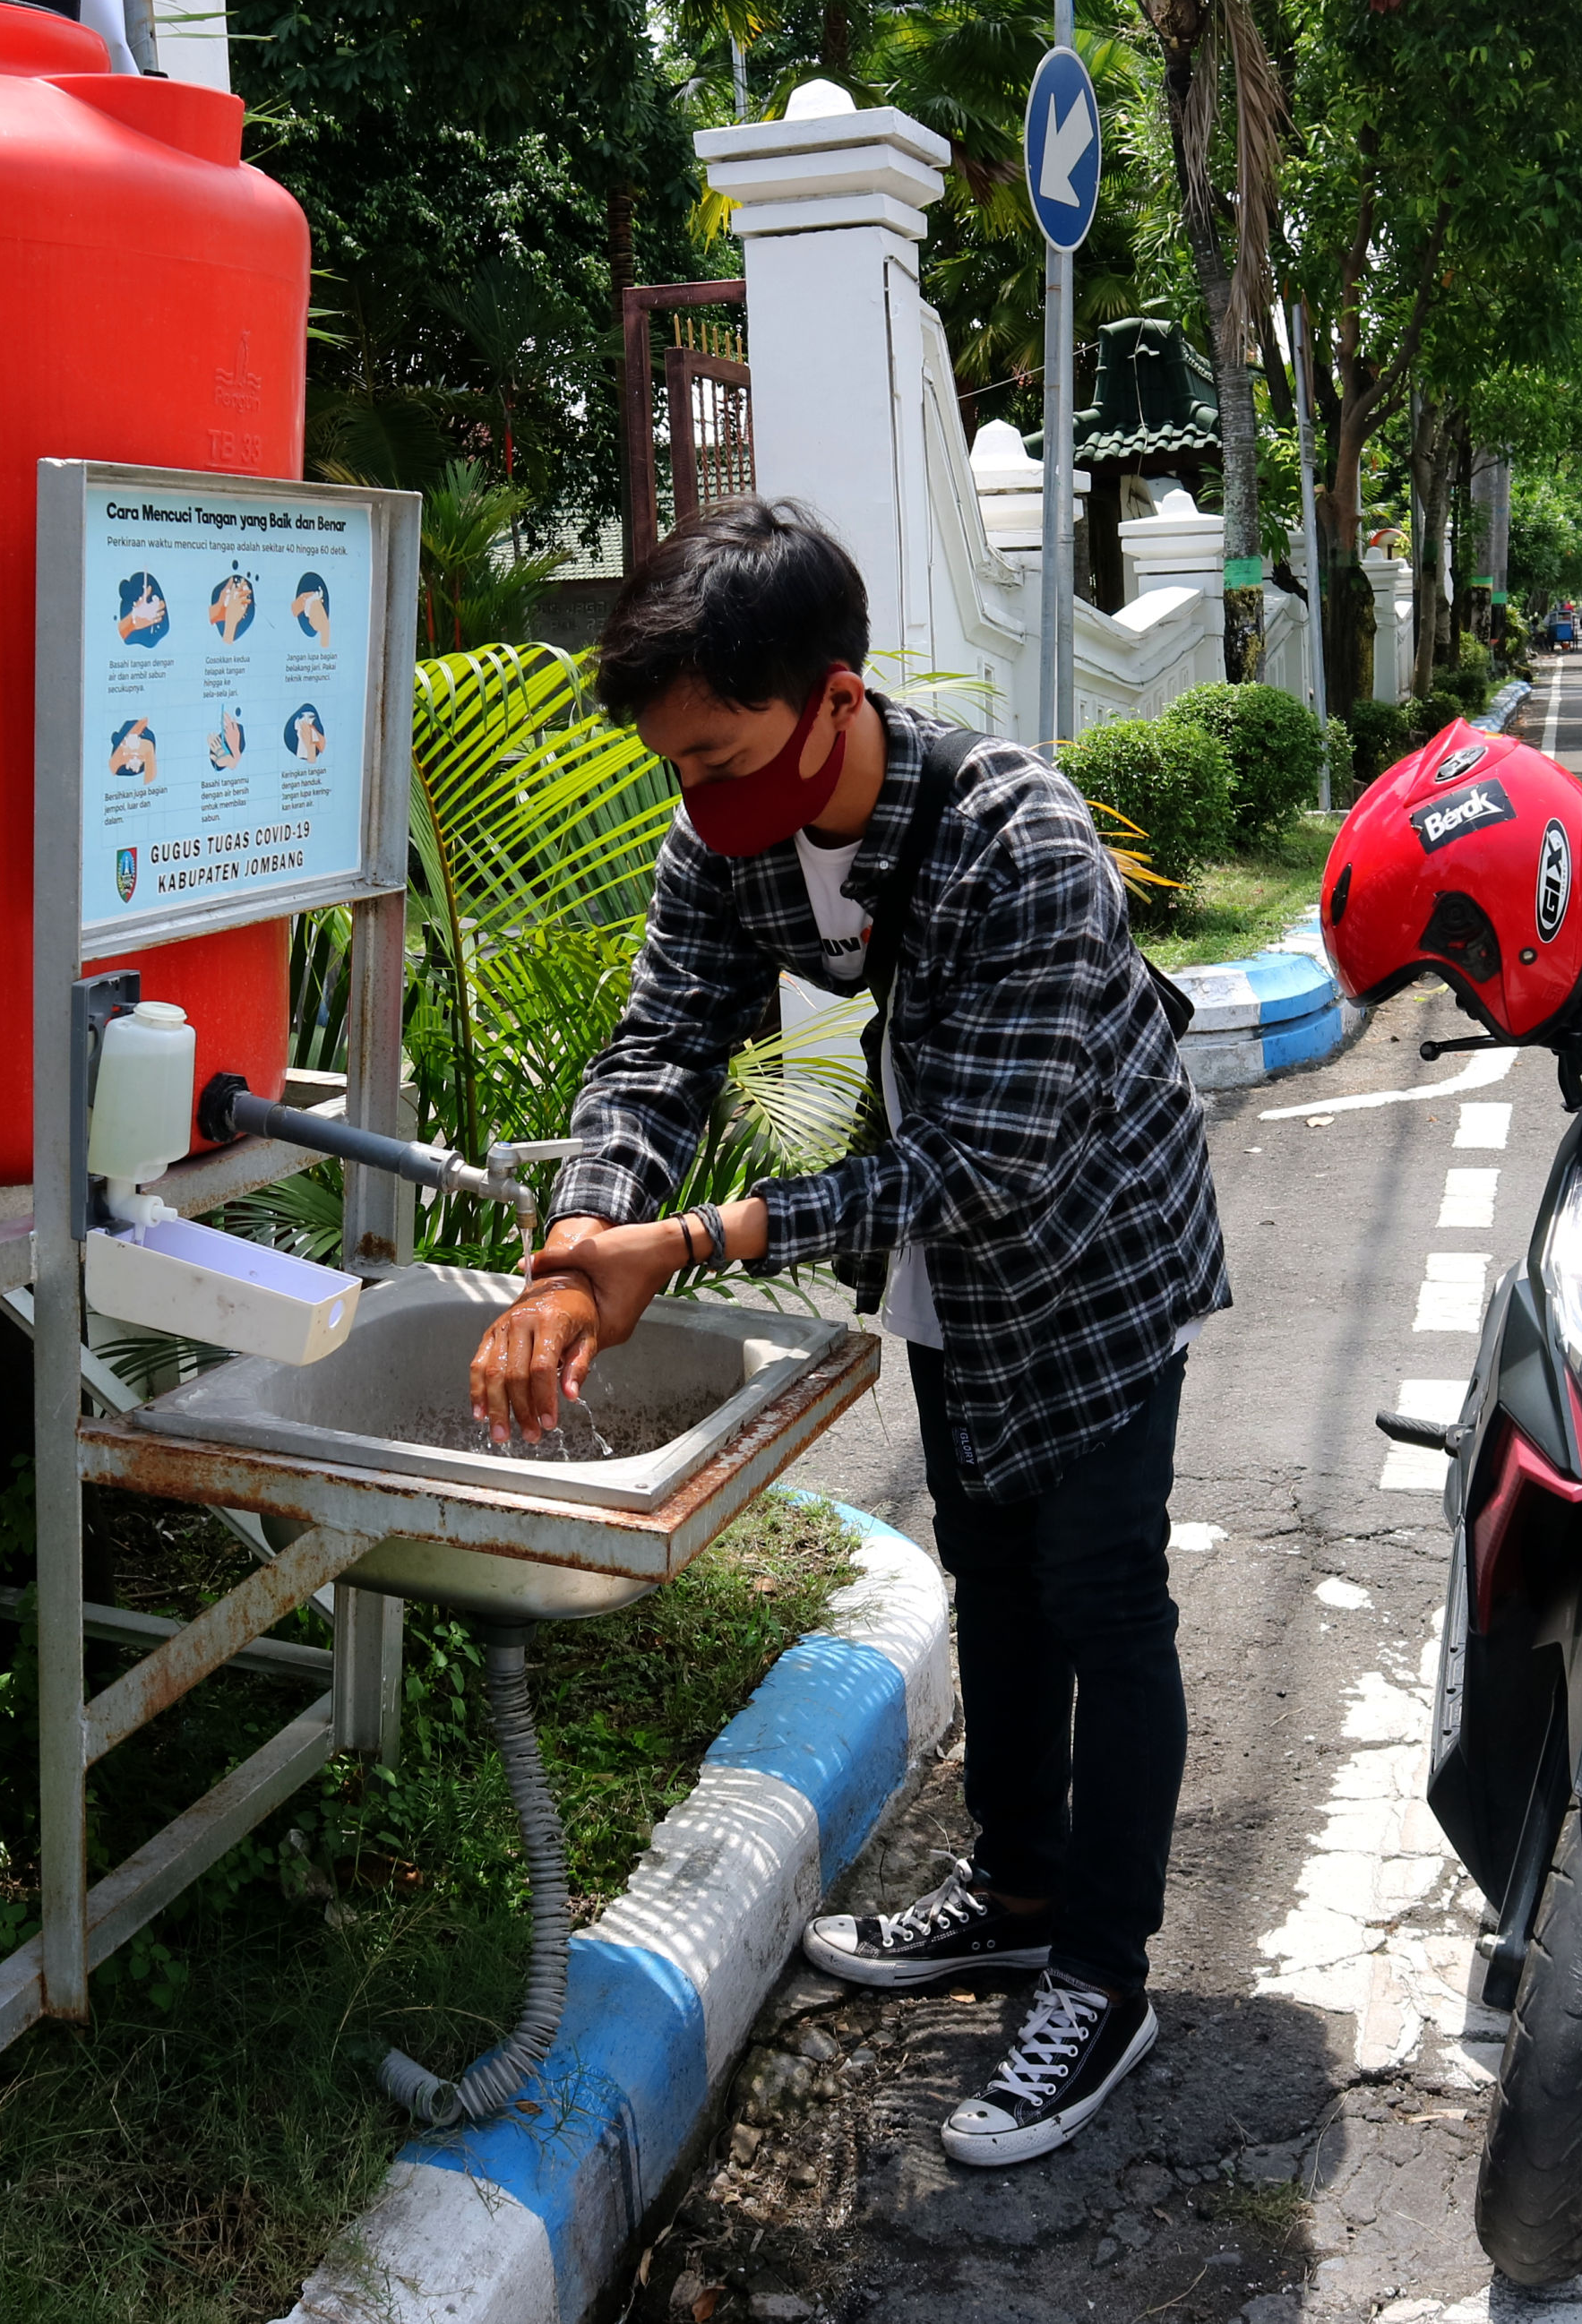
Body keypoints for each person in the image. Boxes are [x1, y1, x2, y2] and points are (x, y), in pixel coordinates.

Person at [467, 499, 1226, 2169]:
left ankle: (1101, 1977)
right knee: (994, 1574)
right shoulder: (722, 838)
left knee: (1105, 1598)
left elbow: (993, 1160)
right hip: (950, 1270)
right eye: (679, 770)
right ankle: (1018, 1889)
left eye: (728, 756)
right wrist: (582, 1241)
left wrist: (702, 1237)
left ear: (836, 694)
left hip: (1095, 1242)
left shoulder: (1015, 831)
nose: (706, 803)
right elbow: (664, 1042)